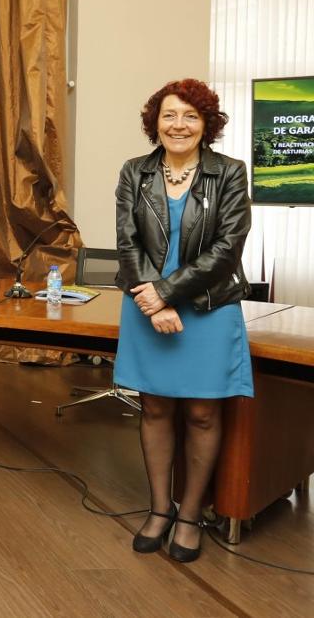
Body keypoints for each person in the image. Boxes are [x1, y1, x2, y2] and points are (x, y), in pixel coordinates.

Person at [114, 79, 253, 563]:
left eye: (191, 116)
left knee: (202, 412)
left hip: (209, 308)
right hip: (145, 305)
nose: (179, 125)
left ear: (206, 124)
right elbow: (127, 244)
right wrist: (154, 301)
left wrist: (168, 295)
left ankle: (190, 514)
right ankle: (159, 509)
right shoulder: (135, 172)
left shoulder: (229, 173)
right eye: (170, 115)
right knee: (153, 407)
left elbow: (226, 248)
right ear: (155, 122)